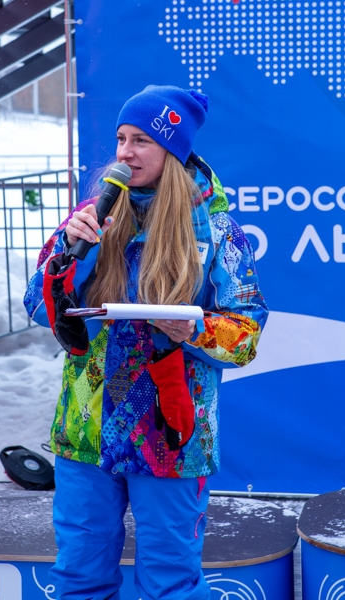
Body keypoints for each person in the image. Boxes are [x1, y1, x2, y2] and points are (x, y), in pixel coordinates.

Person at [24, 85, 268, 600]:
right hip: (86, 429)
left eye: (141, 140)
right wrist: (72, 253)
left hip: (170, 435)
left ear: (172, 151)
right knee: (78, 579)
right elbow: (38, 306)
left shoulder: (218, 231)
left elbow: (246, 336)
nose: (125, 152)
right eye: (120, 138)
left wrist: (194, 329)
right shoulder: (90, 217)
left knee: (170, 583)